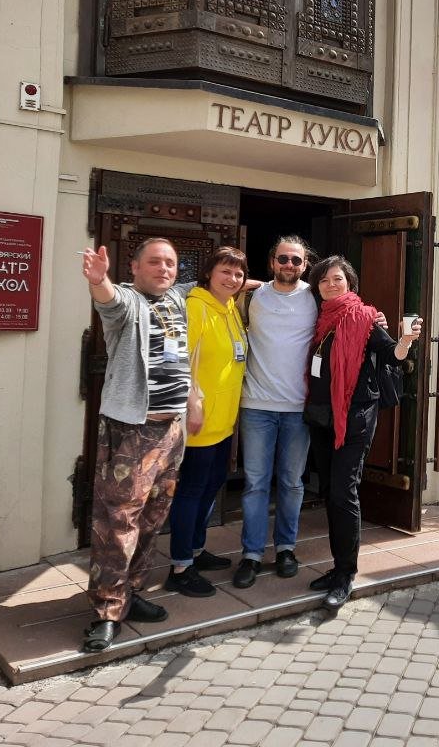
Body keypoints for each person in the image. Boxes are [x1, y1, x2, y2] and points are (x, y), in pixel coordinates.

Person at [79, 239, 191, 652]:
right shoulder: (130, 301)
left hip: (171, 431)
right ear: (136, 266)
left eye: (171, 263)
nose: (164, 269)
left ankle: (131, 592)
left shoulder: (177, 298)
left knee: (151, 517)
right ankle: (106, 611)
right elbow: (109, 300)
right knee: (117, 522)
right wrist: (98, 280)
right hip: (133, 430)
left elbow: (222, 282)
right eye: (156, 262)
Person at [305, 256, 421, 610]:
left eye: (337, 278)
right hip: (322, 417)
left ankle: (345, 575)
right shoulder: (318, 319)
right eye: (324, 280)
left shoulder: (365, 318)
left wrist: (405, 340)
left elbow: (391, 355)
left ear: (350, 283)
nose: (330, 284)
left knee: (344, 492)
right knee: (329, 490)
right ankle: (337, 565)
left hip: (354, 417)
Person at [233, 237, 319, 589]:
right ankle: (251, 554)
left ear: (305, 264)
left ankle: (286, 548)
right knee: (254, 484)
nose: (289, 265)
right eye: (282, 258)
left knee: (291, 482)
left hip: (299, 408)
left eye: (296, 260)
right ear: (271, 262)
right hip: (256, 406)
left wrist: (378, 318)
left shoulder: (316, 296)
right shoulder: (251, 295)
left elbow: (349, 313)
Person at [163, 247, 249, 598]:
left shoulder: (230, 307)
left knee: (211, 486)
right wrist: (191, 401)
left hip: (224, 422)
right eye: (224, 271)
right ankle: (180, 566)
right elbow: (176, 357)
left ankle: (196, 549)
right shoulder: (195, 306)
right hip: (199, 422)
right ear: (208, 273)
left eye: (238, 274)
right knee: (192, 491)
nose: (232, 279)